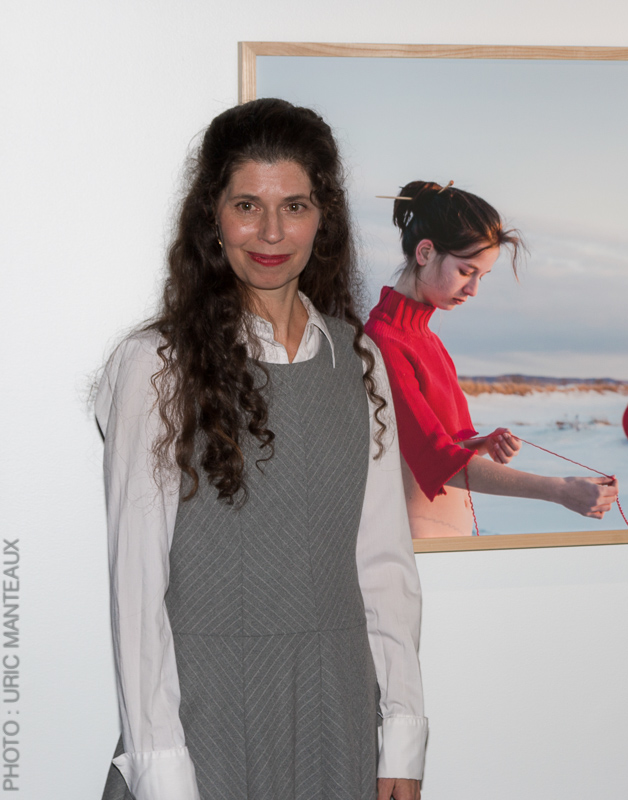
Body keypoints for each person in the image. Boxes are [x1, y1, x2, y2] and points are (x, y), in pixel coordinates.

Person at [96, 99, 426, 800]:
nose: (272, 231)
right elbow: (136, 591)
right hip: (203, 722)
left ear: (323, 218)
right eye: (248, 204)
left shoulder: (359, 357)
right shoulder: (155, 366)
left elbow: (384, 564)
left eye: (295, 205)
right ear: (212, 216)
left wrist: (402, 732)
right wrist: (162, 771)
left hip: (338, 711)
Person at [365, 180, 619, 538]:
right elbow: (436, 461)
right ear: (425, 252)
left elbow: (435, 446)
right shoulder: (384, 344)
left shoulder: (428, 341)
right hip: (413, 548)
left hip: (445, 541)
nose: (473, 290)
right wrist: (559, 490)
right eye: (466, 271)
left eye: (481, 276)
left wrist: (479, 444)